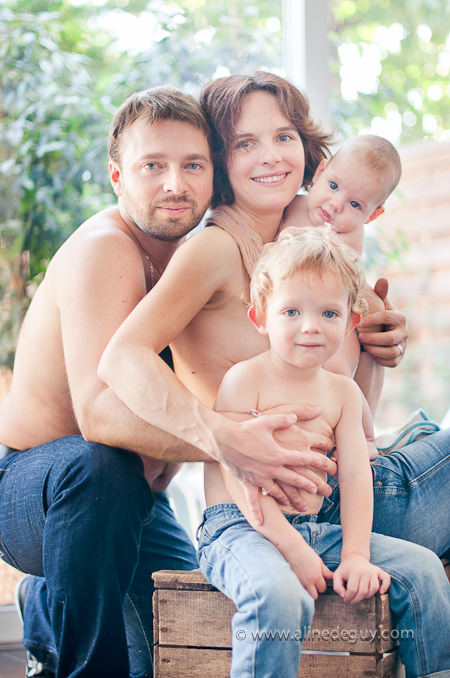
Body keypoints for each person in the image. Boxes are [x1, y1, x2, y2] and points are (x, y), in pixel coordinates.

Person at [0, 86, 332, 678]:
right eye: (153, 166)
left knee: (184, 633)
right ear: (117, 178)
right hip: (39, 493)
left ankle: (49, 607)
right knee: (101, 466)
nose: (175, 184)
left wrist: (370, 334)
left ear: (215, 177)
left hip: (137, 506)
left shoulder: (202, 258)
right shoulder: (105, 250)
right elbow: (100, 415)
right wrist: (230, 440)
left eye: (193, 166)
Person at [100, 72, 449, 559]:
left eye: (284, 136)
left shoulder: (306, 253)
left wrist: (375, 344)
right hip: (286, 507)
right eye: (246, 143)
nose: (271, 155)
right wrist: (221, 437)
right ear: (219, 162)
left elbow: (347, 405)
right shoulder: (215, 248)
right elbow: (121, 357)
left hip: (347, 494)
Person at [198, 226, 450, 678]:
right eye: (291, 310)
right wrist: (291, 547)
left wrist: (354, 553)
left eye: (329, 312)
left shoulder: (343, 394)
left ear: (350, 322)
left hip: (317, 526)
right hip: (242, 528)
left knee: (423, 569)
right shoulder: (243, 380)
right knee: (279, 594)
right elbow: (240, 480)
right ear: (260, 318)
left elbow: (354, 479)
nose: (311, 325)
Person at [284, 134, 403, 458]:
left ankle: (364, 437)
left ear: (372, 215)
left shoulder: (347, 236)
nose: (336, 205)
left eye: (354, 205)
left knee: (342, 373)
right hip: (298, 319)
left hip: (334, 323)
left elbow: (341, 281)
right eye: (334, 186)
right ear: (320, 172)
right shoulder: (290, 205)